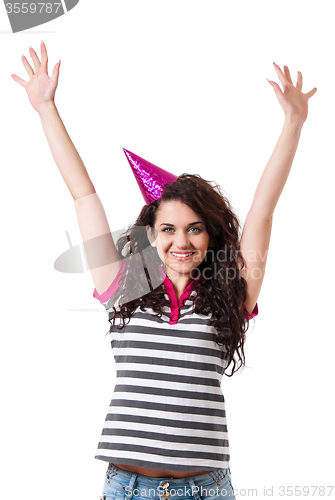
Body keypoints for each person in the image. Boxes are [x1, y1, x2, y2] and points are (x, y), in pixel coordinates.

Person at [11, 41, 317, 500]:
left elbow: (262, 212)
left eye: (195, 230)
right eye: (169, 229)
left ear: (210, 237)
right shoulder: (123, 286)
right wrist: (46, 108)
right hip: (127, 488)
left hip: (205, 490)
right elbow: (82, 195)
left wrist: (294, 123)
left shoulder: (232, 295)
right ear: (150, 234)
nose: (182, 241)